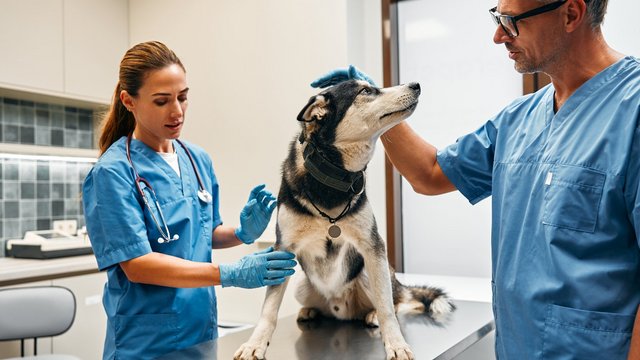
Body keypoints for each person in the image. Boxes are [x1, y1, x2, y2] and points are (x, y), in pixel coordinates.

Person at [313, 0, 640, 358]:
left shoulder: (632, 110)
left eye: (512, 22)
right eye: (497, 18)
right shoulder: (519, 119)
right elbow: (429, 174)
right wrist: (380, 110)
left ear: (571, 14)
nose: (499, 36)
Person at [82, 41, 297, 359]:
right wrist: (231, 274)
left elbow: (202, 234)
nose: (177, 111)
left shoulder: (196, 159)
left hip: (199, 331)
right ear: (129, 101)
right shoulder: (112, 172)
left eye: (183, 97)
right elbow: (137, 265)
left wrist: (241, 233)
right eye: (161, 101)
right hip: (146, 341)